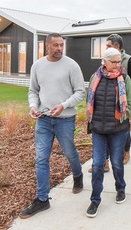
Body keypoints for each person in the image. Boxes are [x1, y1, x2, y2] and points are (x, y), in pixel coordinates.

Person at [21, 33, 86, 219]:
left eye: (61, 45)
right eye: (55, 45)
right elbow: (33, 90)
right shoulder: (38, 66)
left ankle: (77, 174)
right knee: (41, 159)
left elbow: (80, 92)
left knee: (69, 152)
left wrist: (63, 105)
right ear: (46, 46)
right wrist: (33, 106)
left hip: (65, 119)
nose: (59, 48)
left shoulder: (71, 65)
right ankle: (42, 199)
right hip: (43, 119)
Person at [84, 48, 131, 218]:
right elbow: (89, 99)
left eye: (119, 61)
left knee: (117, 162)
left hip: (118, 129)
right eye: (114, 62)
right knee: (98, 164)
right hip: (98, 128)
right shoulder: (95, 77)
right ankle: (95, 199)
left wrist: (130, 122)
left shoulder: (124, 78)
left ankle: (121, 188)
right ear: (104, 62)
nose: (118, 65)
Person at [103, 34, 131, 168]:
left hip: (123, 105)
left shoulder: (129, 61)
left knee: (124, 130)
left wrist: (130, 105)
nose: (106, 48)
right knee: (104, 131)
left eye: (108, 46)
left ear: (117, 46)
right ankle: (104, 162)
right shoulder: (105, 60)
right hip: (107, 104)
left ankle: (126, 151)